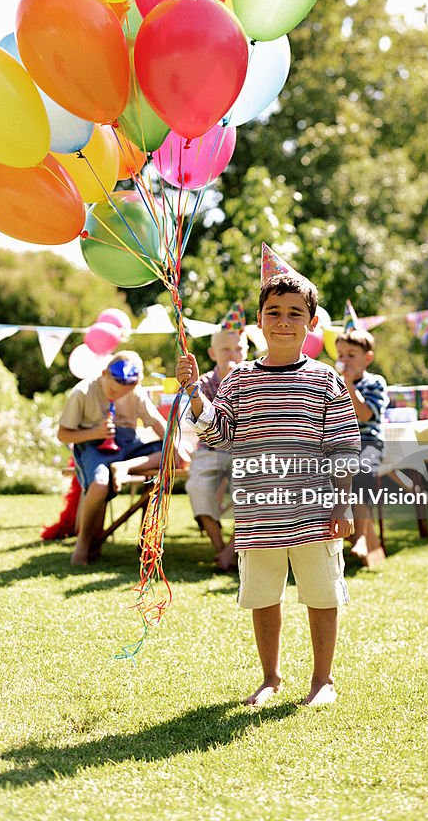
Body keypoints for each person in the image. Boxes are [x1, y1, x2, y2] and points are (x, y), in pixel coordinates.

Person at [176, 244, 361, 707]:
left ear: (311, 323)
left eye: (295, 313)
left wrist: (344, 502)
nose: (283, 320)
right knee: (263, 595)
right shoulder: (238, 380)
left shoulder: (325, 379)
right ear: (259, 321)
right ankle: (271, 677)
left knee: (321, 593)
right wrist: (196, 396)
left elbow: (342, 444)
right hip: (258, 512)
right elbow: (219, 435)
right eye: (273, 311)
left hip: (315, 511)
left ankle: (323, 681)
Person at [58, 350, 172, 567]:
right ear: (104, 373)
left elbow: (157, 423)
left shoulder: (134, 391)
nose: (117, 396)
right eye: (113, 390)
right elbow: (63, 434)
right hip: (93, 445)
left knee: (167, 452)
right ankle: (82, 544)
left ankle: (124, 467)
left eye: (123, 393)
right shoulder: (82, 392)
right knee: (100, 485)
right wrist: (95, 433)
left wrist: (174, 447)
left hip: (128, 444)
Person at [186, 323, 249, 572]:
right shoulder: (203, 383)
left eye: (238, 349)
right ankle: (220, 546)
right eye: (225, 349)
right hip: (210, 451)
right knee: (197, 486)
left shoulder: (255, 379)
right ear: (213, 354)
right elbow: (202, 421)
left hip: (244, 453)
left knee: (251, 490)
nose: (232, 355)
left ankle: (231, 550)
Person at [335, 329, 389, 567]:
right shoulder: (334, 384)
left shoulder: (374, 383)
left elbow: (366, 414)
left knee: (362, 472)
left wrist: (348, 385)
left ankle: (362, 536)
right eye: (340, 354)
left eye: (351, 354)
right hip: (341, 445)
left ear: (367, 358)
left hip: (367, 443)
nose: (344, 360)